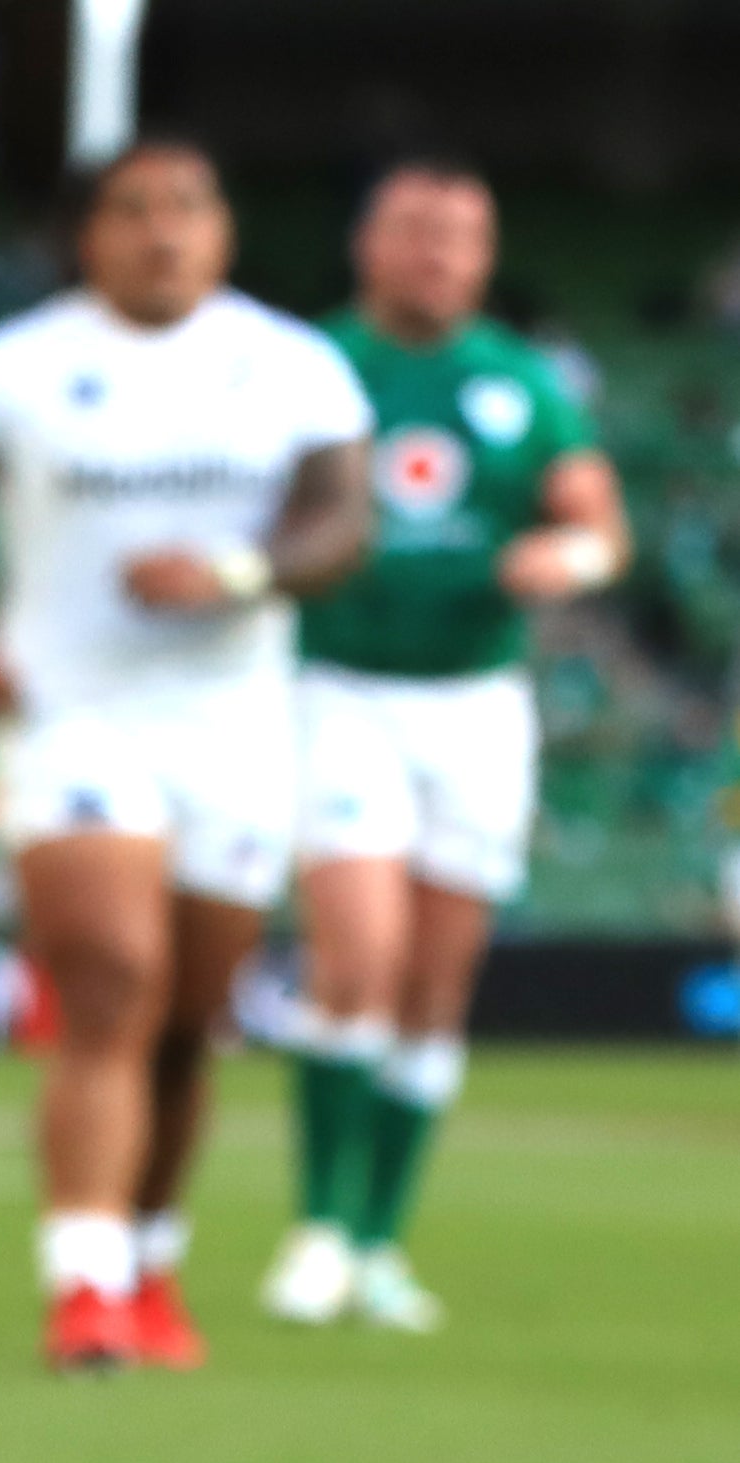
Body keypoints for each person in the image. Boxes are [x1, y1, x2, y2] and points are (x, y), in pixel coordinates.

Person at [0, 136, 373, 1374]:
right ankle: (81, 1285)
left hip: (233, 725)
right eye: (134, 211)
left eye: (188, 205)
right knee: (109, 984)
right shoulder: (20, 368)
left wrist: (236, 574)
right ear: (90, 236)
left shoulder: (288, 365)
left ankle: (150, 1259)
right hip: (72, 718)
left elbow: (342, 525)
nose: (163, 232)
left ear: (223, 227)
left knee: (187, 1024)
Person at [264, 161, 626, 1338]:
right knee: (356, 953)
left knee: (433, 985)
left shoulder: (519, 383)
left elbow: (594, 522)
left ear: (485, 253)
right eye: (416, 230)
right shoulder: (311, 368)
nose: (438, 253)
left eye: (461, 234)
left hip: (474, 706)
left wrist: (566, 560)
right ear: (368, 242)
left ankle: (378, 1242)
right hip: (340, 688)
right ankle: (317, 1228)